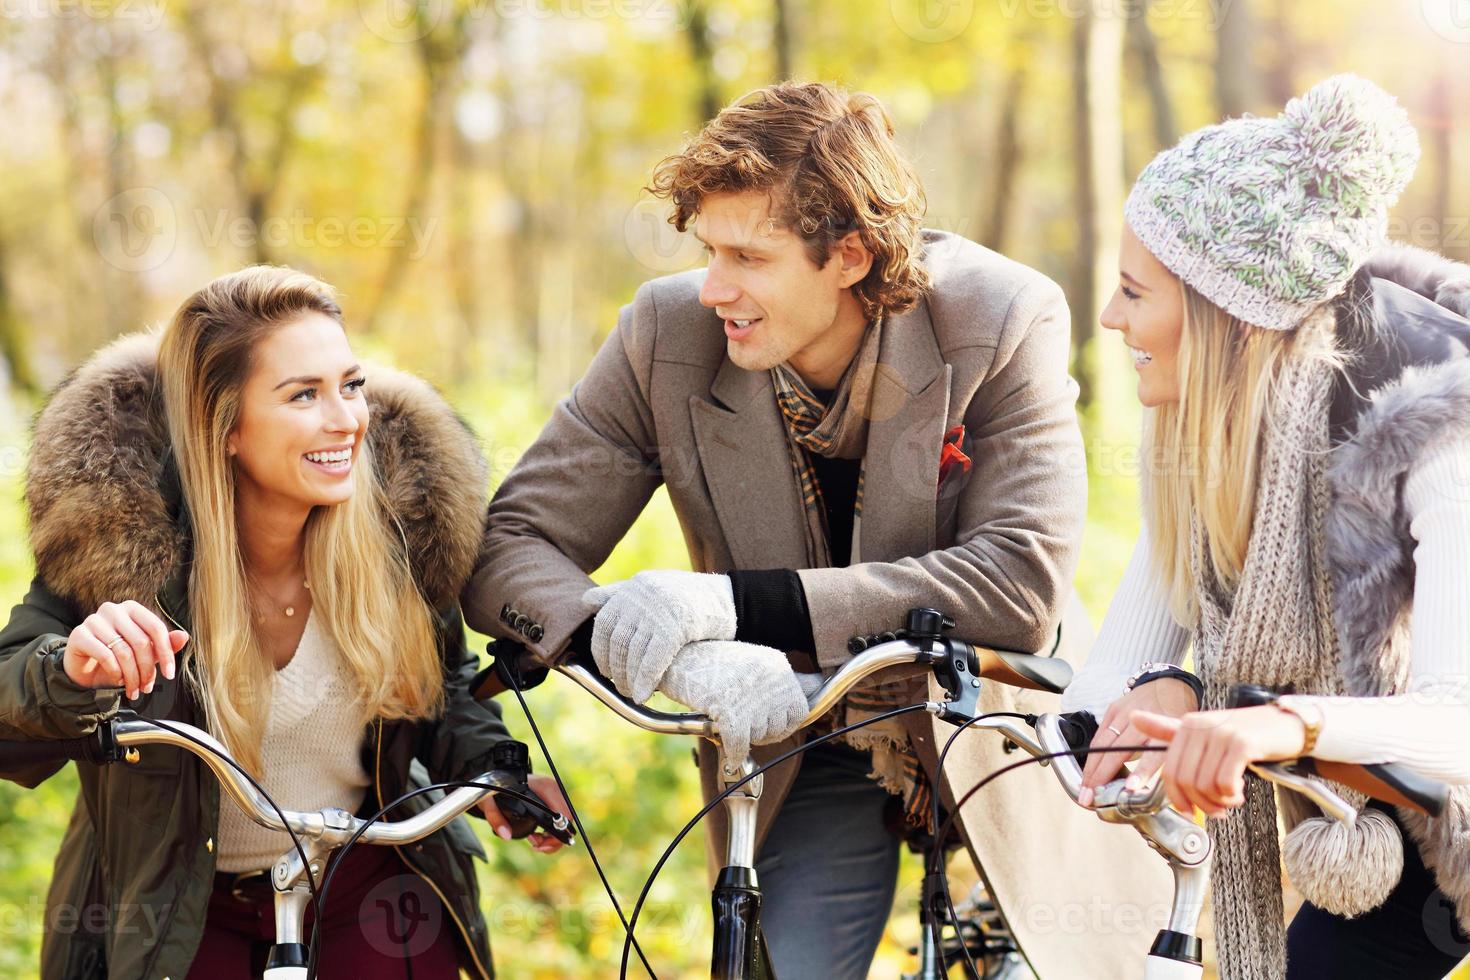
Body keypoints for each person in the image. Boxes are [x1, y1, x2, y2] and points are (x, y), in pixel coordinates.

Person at [465, 81, 1164, 979]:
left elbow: (1015, 586)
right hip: (791, 726)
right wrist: (651, 641)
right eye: (708, 250)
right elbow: (511, 542)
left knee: (1047, 959)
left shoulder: (1002, 316)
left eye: (750, 257)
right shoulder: (664, 333)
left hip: (992, 722)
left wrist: (729, 605)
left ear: (850, 254)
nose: (715, 288)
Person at [0, 266, 569, 980]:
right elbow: (9, 716)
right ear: (226, 426)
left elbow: (440, 690)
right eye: (304, 395)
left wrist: (496, 770)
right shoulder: (120, 549)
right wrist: (69, 668)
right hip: (179, 912)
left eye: (351, 385)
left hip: (368, 889)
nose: (347, 420)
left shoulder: (399, 531)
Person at [1063, 74, 1470, 979]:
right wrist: (1160, 689)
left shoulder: (1441, 428)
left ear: (1231, 324)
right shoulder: (1225, 421)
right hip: (1388, 810)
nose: (1110, 317)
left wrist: (1267, 724)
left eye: (1134, 292)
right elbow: (1113, 671)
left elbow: (1461, 721)